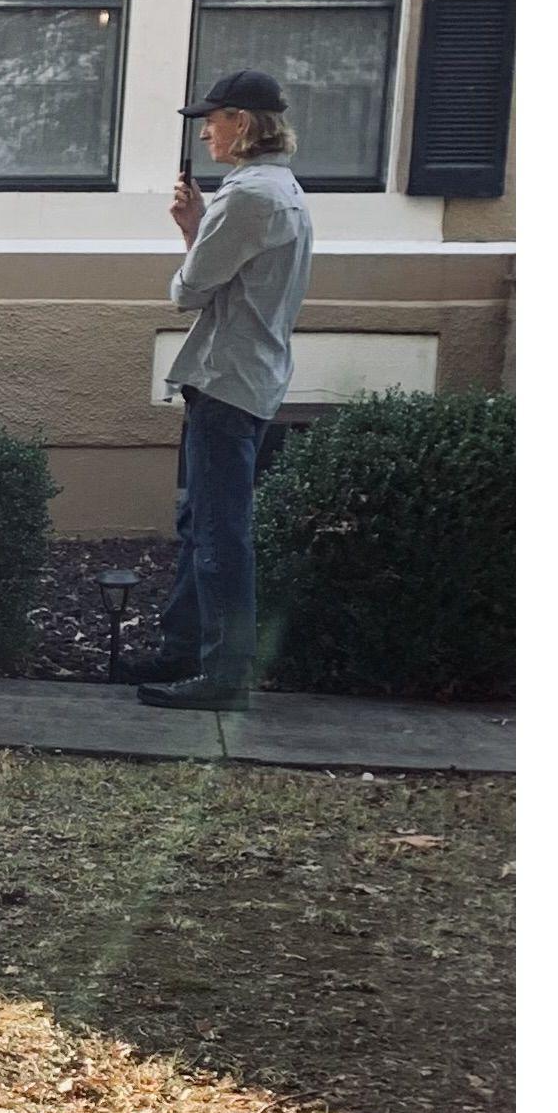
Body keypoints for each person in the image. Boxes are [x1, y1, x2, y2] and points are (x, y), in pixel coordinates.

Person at [137, 65, 319, 711]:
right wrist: (199, 227)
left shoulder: (248, 199)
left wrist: (193, 233)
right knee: (204, 525)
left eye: (212, 120)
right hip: (247, 376)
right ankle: (184, 652)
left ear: (241, 123)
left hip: (227, 382)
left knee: (218, 533)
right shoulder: (280, 189)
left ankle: (222, 675)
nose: (205, 132)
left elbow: (188, 291)